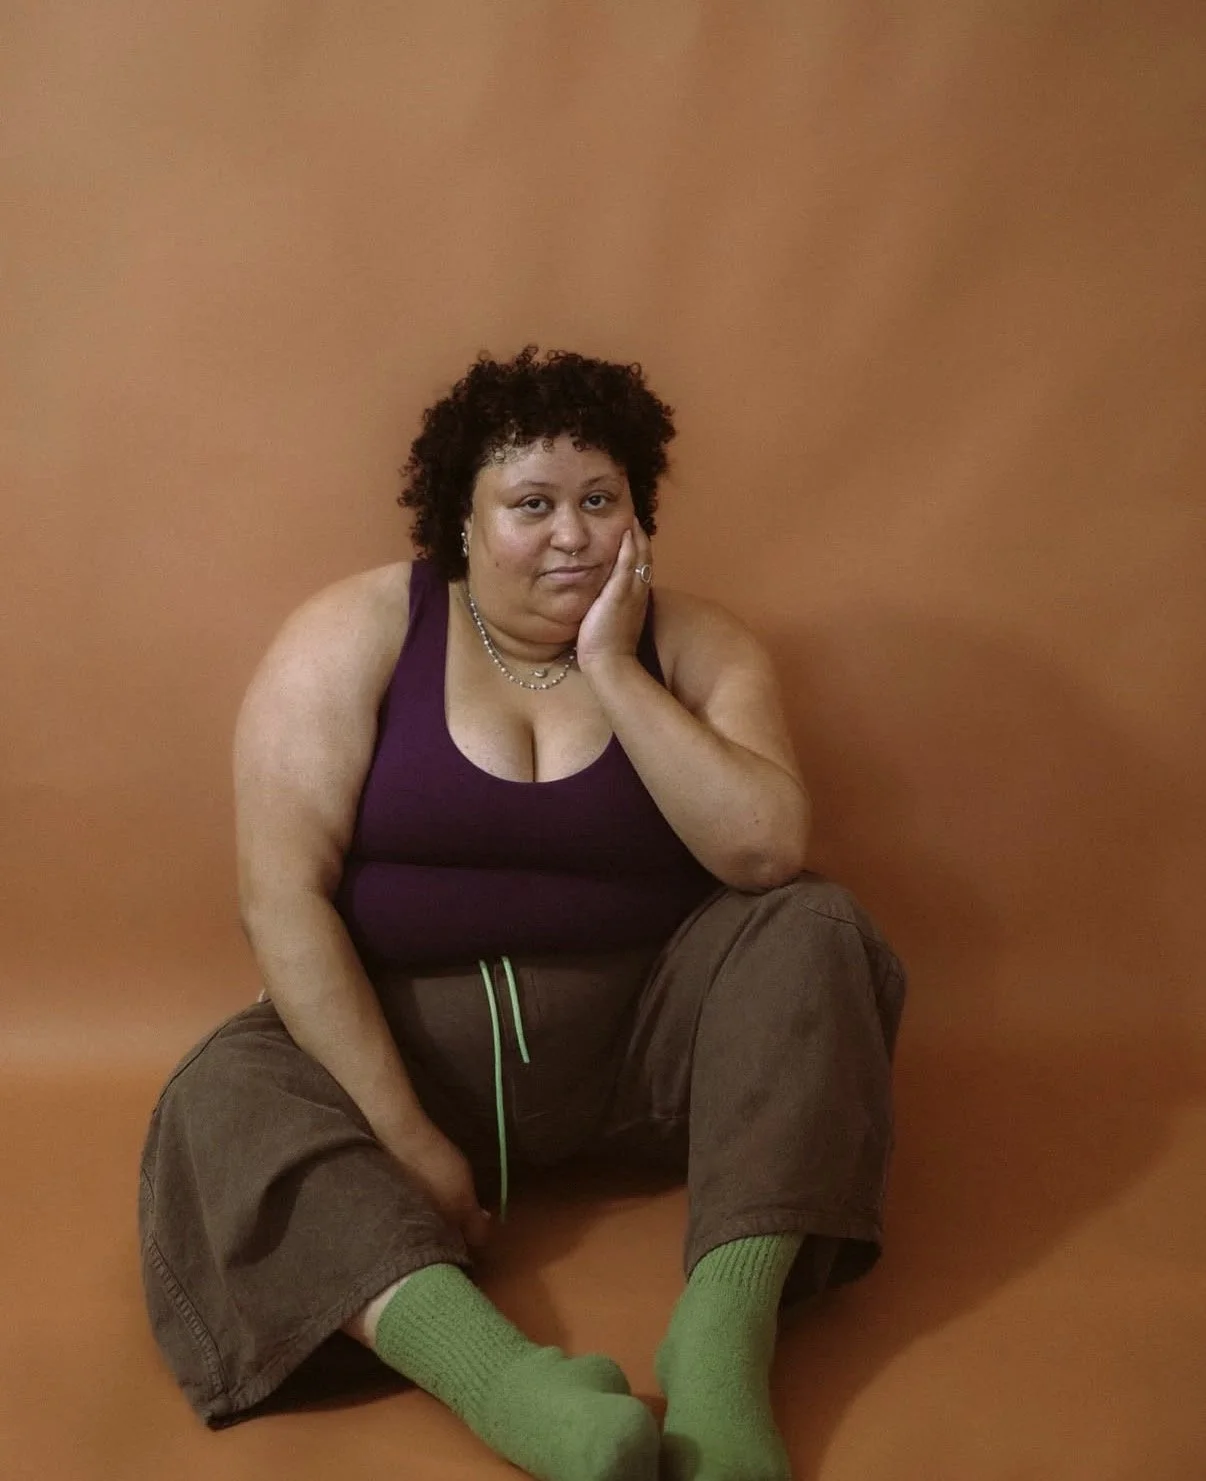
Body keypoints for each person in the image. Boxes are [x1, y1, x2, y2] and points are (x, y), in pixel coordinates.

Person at [138, 347, 906, 1481]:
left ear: (638, 514)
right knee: (219, 1091)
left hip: (649, 1051)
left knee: (819, 926)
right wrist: (406, 1138)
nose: (571, 534)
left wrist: (615, 667)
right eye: (531, 504)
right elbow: (280, 893)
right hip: (412, 1053)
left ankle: (723, 1345)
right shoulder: (354, 632)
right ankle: (511, 1386)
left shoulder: (696, 643)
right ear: (460, 518)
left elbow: (765, 846)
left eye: (600, 501)